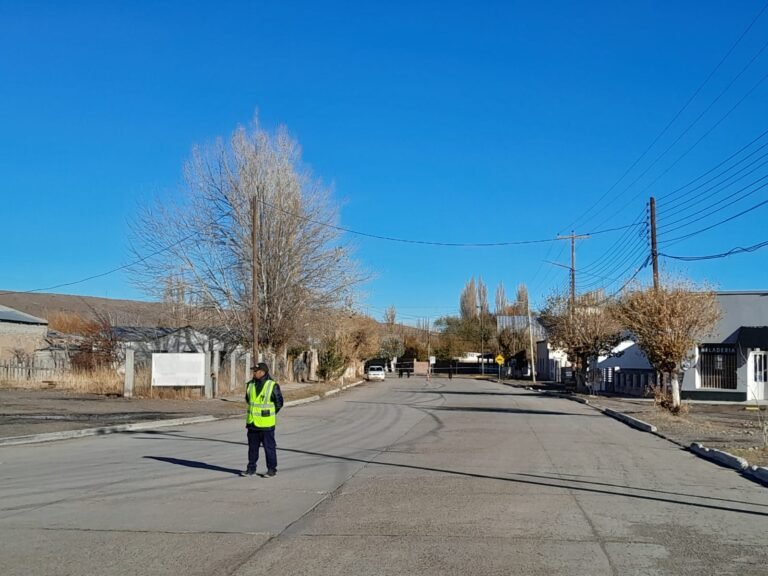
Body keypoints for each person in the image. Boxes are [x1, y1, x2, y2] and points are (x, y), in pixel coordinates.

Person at [242, 362, 284, 477]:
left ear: (262, 372)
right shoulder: (250, 385)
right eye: (253, 371)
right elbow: (248, 400)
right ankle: (251, 469)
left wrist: (269, 413)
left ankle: (271, 469)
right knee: (252, 448)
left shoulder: (272, 385)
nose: (253, 373)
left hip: (266, 424)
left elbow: (279, 403)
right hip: (252, 423)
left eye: (255, 371)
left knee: (269, 448)